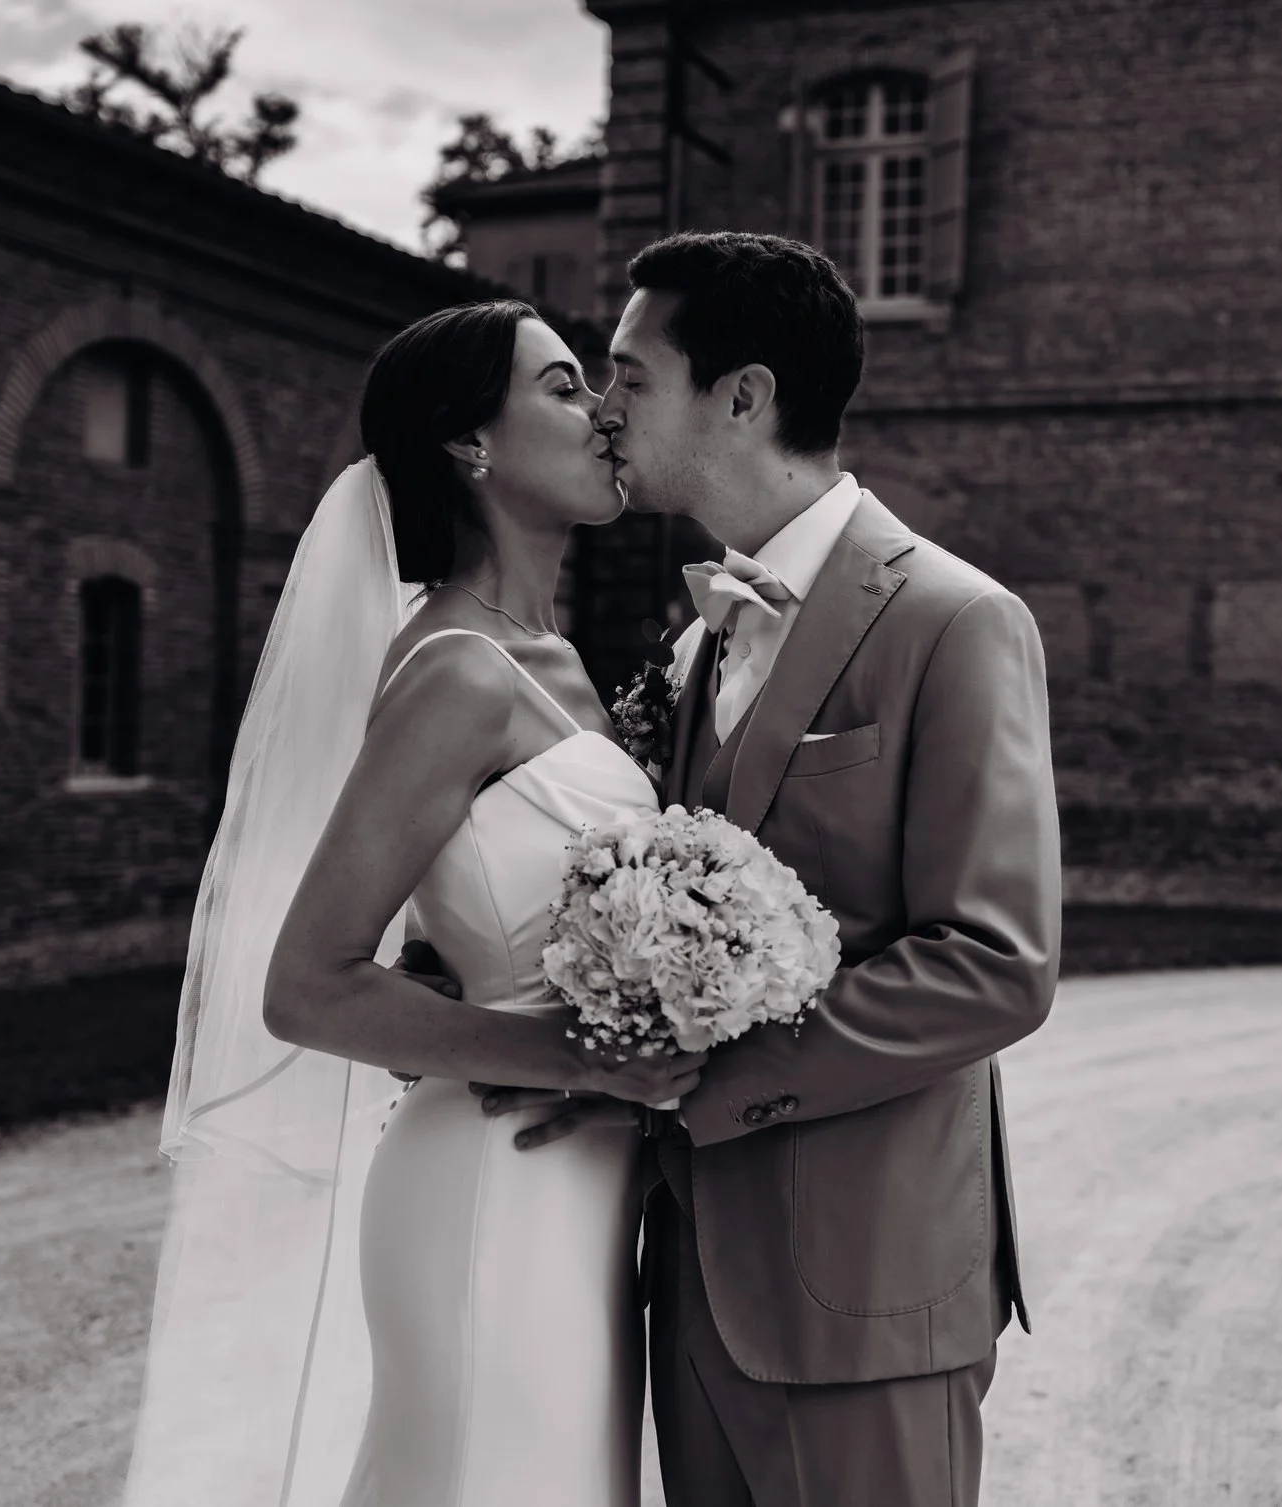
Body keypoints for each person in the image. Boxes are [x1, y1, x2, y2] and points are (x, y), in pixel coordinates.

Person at [489, 231, 1064, 1507]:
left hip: (865, 1282)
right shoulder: (699, 641)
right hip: (688, 1277)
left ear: (741, 395)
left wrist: (690, 1080)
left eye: (631, 374)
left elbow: (995, 963)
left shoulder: (955, 622)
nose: (602, 405)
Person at [120, 300, 701, 1507]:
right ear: (467, 443)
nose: (601, 411)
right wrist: (569, 1056)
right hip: (496, 1176)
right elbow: (307, 982)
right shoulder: (456, 672)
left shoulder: (557, 660)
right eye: (558, 387)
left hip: (584, 1185)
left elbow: (479, 907)